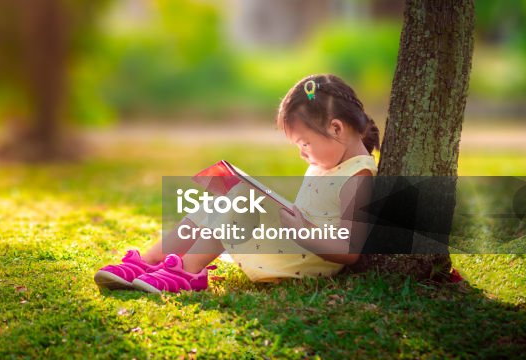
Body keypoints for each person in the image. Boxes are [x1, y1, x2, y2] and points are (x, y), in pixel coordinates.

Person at [94, 73, 379, 293]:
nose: (301, 152)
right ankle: (151, 260)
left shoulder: (359, 176)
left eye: (304, 143)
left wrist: (300, 230)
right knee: (223, 198)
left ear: (336, 128)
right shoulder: (327, 163)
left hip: (306, 258)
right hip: (295, 243)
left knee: (241, 198)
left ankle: (188, 272)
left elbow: (349, 251)